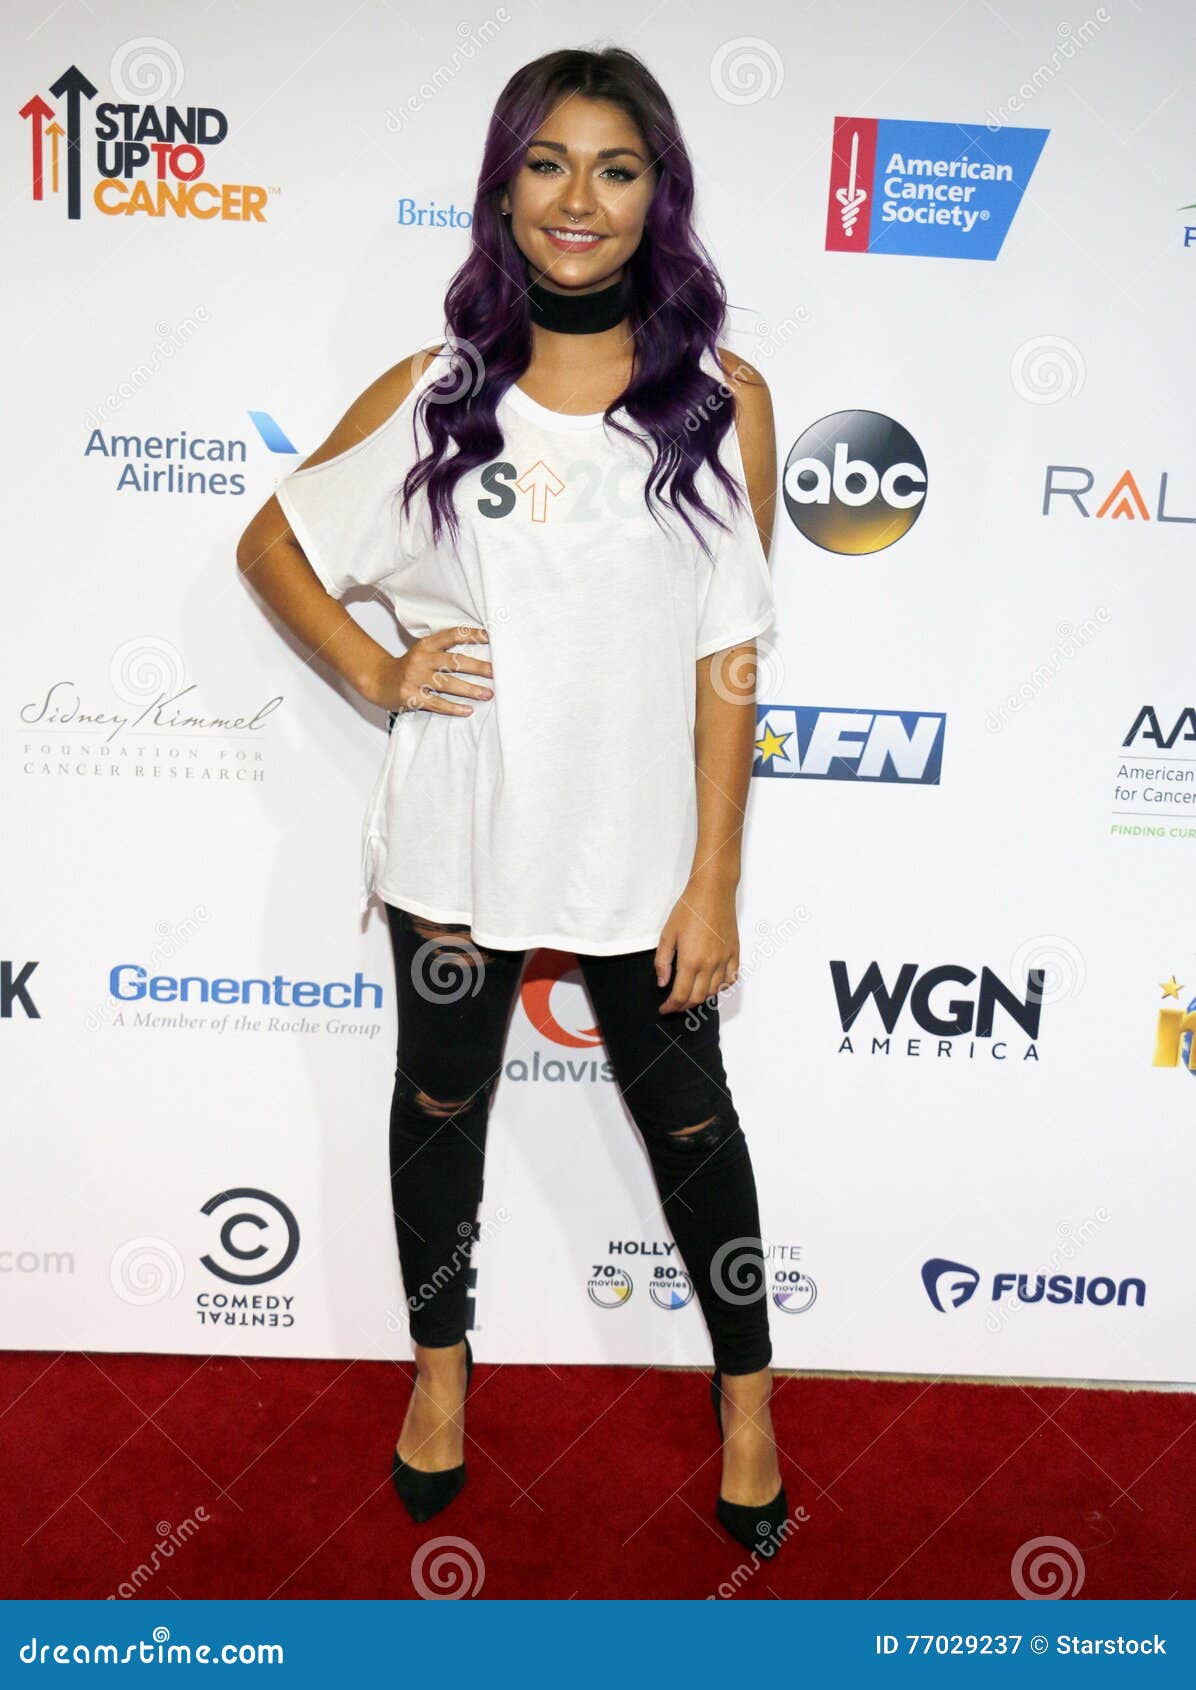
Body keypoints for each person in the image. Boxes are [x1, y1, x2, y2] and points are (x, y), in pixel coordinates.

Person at [235, 45, 788, 1556]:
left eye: (616, 168)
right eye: (547, 164)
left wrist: (717, 878)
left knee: (693, 1127)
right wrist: (376, 667)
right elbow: (274, 543)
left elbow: (731, 655)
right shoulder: (435, 393)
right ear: (502, 188)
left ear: (659, 195)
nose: (578, 199)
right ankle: (440, 1372)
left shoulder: (722, 403)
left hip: (641, 846)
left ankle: (747, 1399)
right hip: (460, 829)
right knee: (439, 1110)